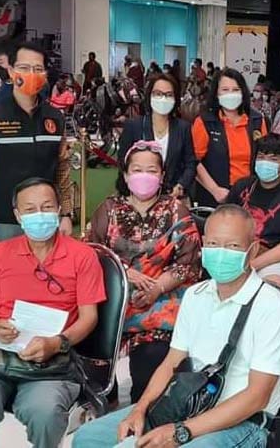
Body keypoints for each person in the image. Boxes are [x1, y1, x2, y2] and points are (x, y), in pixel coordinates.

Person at [74, 205, 280, 448]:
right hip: (189, 404)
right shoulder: (195, 295)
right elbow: (172, 362)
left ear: (251, 251)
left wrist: (181, 432)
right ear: (203, 245)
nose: (221, 253)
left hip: (242, 422)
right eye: (213, 244)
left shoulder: (271, 307)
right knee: (88, 438)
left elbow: (257, 397)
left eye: (232, 246)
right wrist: (140, 409)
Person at [0, 178, 106, 448]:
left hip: (53, 359)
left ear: (59, 210)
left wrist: (57, 343)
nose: (40, 215)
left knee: (45, 413)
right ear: (17, 215)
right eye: (30, 210)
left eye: (47, 207)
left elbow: (89, 317)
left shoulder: (82, 256)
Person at [89, 139, 202, 394]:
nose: (144, 176)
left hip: (160, 305)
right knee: (94, 371)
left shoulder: (177, 211)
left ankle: (144, 408)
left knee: (150, 369)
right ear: (125, 174)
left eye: (151, 170)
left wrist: (156, 288)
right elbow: (91, 252)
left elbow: (189, 263)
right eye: (137, 170)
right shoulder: (108, 209)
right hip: (113, 304)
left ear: (162, 176)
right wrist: (123, 272)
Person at [0, 42, 73, 272]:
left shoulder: (55, 118)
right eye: (24, 67)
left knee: (49, 280)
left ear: (45, 74)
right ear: (12, 71)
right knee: (8, 282)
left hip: (46, 219)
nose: (31, 74)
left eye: (38, 69)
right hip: (5, 221)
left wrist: (66, 214)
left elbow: (62, 170)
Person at [226, 134, 280, 290]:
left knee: (270, 288)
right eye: (261, 157)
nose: (265, 163)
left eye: (273, 159)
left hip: (276, 260)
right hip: (237, 252)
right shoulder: (242, 186)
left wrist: (251, 265)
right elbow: (224, 221)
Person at [192, 68, 267, 206]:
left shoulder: (257, 120)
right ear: (216, 93)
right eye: (225, 90)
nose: (231, 94)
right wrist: (214, 189)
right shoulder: (205, 122)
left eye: (235, 90)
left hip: (251, 195)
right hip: (215, 196)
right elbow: (194, 161)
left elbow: (265, 155)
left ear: (243, 92)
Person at [117, 73, 197, 198]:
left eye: (169, 95)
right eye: (158, 94)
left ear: (175, 98)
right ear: (150, 96)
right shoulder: (133, 126)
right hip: (138, 195)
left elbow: (190, 163)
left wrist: (180, 185)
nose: (163, 98)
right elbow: (123, 161)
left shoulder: (184, 128)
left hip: (173, 195)